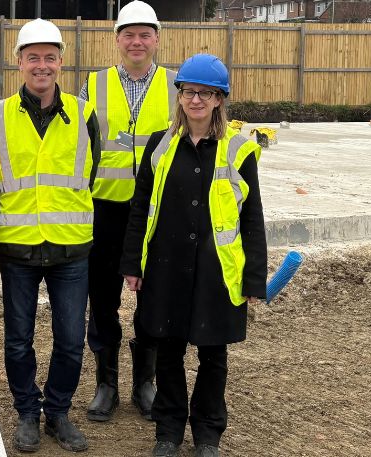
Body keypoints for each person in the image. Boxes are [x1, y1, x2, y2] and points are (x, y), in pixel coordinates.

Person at [120, 54, 267, 457]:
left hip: (215, 272)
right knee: (167, 351)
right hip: (166, 267)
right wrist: (133, 264)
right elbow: (140, 207)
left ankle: (207, 435)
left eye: (205, 93)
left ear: (219, 99)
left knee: (212, 355)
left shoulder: (239, 150)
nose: (196, 100)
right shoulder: (160, 144)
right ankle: (167, 431)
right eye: (188, 92)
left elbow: (252, 219)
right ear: (180, 96)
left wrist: (254, 278)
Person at [0, 18, 102, 454]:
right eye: (33, 57)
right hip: (18, 249)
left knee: (71, 340)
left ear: (61, 63)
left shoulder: (84, 112)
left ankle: (59, 412)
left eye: (50, 57)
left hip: (71, 249)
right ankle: (28, 414)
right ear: (19, 63)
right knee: (18, 340)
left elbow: (91, 173)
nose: (42, 65)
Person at [78, 0, 177, 423]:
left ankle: (146, 382)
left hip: (157, 212)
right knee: (102, 299)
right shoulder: (93, 84)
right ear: (117, 39)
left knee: (153, 298)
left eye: (145, 34)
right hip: (105, 208)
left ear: (156, 39)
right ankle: (106, 383)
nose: (137, 42)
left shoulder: (178, 85)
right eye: (128, 34)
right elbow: (79, 144)